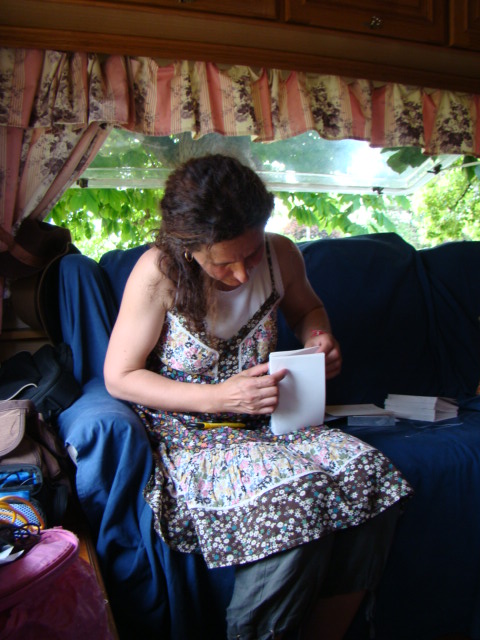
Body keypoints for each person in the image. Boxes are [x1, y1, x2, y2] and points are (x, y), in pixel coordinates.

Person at [104, 154, 412, 640]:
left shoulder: (280, 255)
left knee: (371, 479)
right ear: (188, 247)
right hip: (194, 435)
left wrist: (318, 338)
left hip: (272, 424)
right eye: (224, 262)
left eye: (250, 254)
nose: (244, 274)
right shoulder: (158, 273)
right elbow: (120, 377)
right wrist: (220, 396)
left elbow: (308, 309)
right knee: (295, 503)